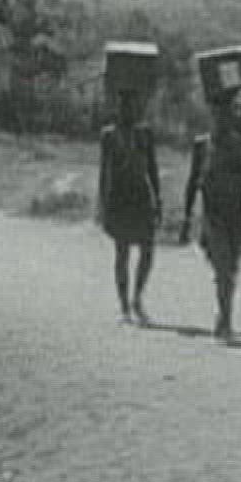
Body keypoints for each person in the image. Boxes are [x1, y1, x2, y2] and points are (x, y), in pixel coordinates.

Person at [180, 92, 241, 340]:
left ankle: (224, 319)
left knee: (230, 269)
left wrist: (240, 159)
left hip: (235, 213)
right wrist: (186, 218)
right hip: (213, 216)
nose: (222, 119)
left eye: (227, 114)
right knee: (223, 269)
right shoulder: (202, 146)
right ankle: (225, 321)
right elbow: (193, 182)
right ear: (212, 116)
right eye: (218, 114)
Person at [97, 89, 161, 325]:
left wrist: (158, 199)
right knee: (122, 251)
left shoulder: (145, 134)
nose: (128, 112)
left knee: (148, 249)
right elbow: (104, 172)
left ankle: (137, 297)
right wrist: (102, 204)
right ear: (118, 109)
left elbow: (152, 168)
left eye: (132, 107)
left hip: (141, 196)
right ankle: (124, 305)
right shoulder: (109, 135)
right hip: (119, 198)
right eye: (124, 107)